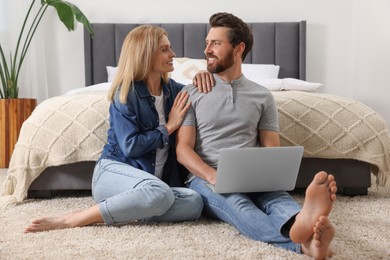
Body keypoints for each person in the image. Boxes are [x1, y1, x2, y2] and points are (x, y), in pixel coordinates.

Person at [176, 12, 337, 259]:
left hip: (251, 173)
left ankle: (301, 221)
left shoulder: (262, 96)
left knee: (277, 199)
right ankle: (302, 243)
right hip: (205, 176)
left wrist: (270, 176)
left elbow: (271, 148)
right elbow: (183, 149)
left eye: (216, 43)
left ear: (238, 48)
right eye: (207, 43)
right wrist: (213, 175)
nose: (207, 49)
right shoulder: (192, 91)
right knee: (238, 205)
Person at [24, 25, 215, 233]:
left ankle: (132, 208)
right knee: (160, 193)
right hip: (114, 173)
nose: (173, 54)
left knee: (194, 202)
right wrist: (168, 127)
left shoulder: (174, 91)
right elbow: (131, 147)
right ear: (145, 55)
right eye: (164, 49)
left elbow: (195, 91)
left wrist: (201, 76)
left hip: (152, 187)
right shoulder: (126, 94)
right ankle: (75, 219)